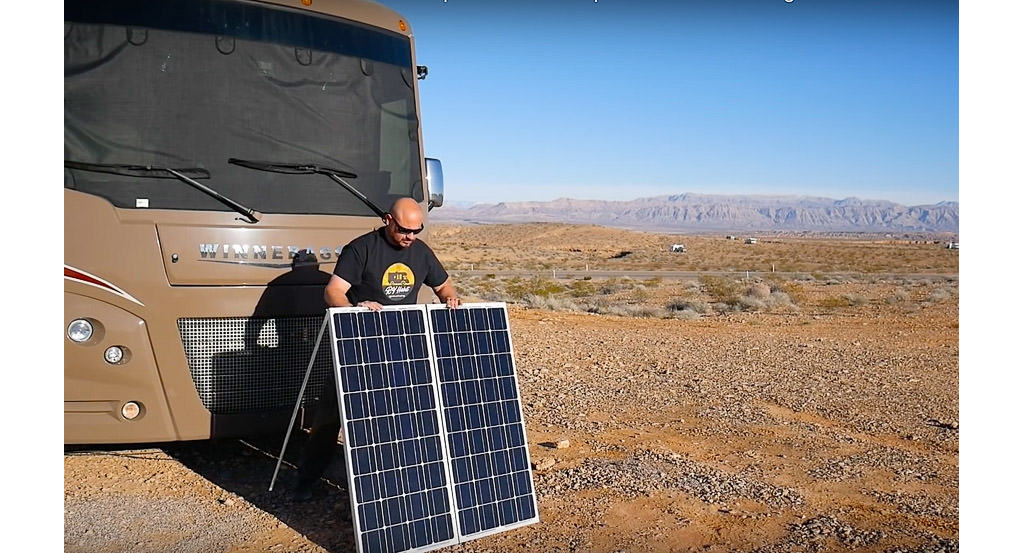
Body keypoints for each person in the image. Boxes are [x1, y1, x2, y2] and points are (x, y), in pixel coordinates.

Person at [293, 197, 461, 500]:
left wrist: (449, 299)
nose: (410, 237)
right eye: (404, 230)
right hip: (357, 342)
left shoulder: (421, 252)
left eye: (416, 231)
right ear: (388, 220)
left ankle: (392, 481)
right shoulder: (361, 249)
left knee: (398, 414)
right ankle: (307, 479)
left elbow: (444, 286)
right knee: (331, 416)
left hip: (402, 345)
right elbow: (333, 292)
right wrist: (355, 309)